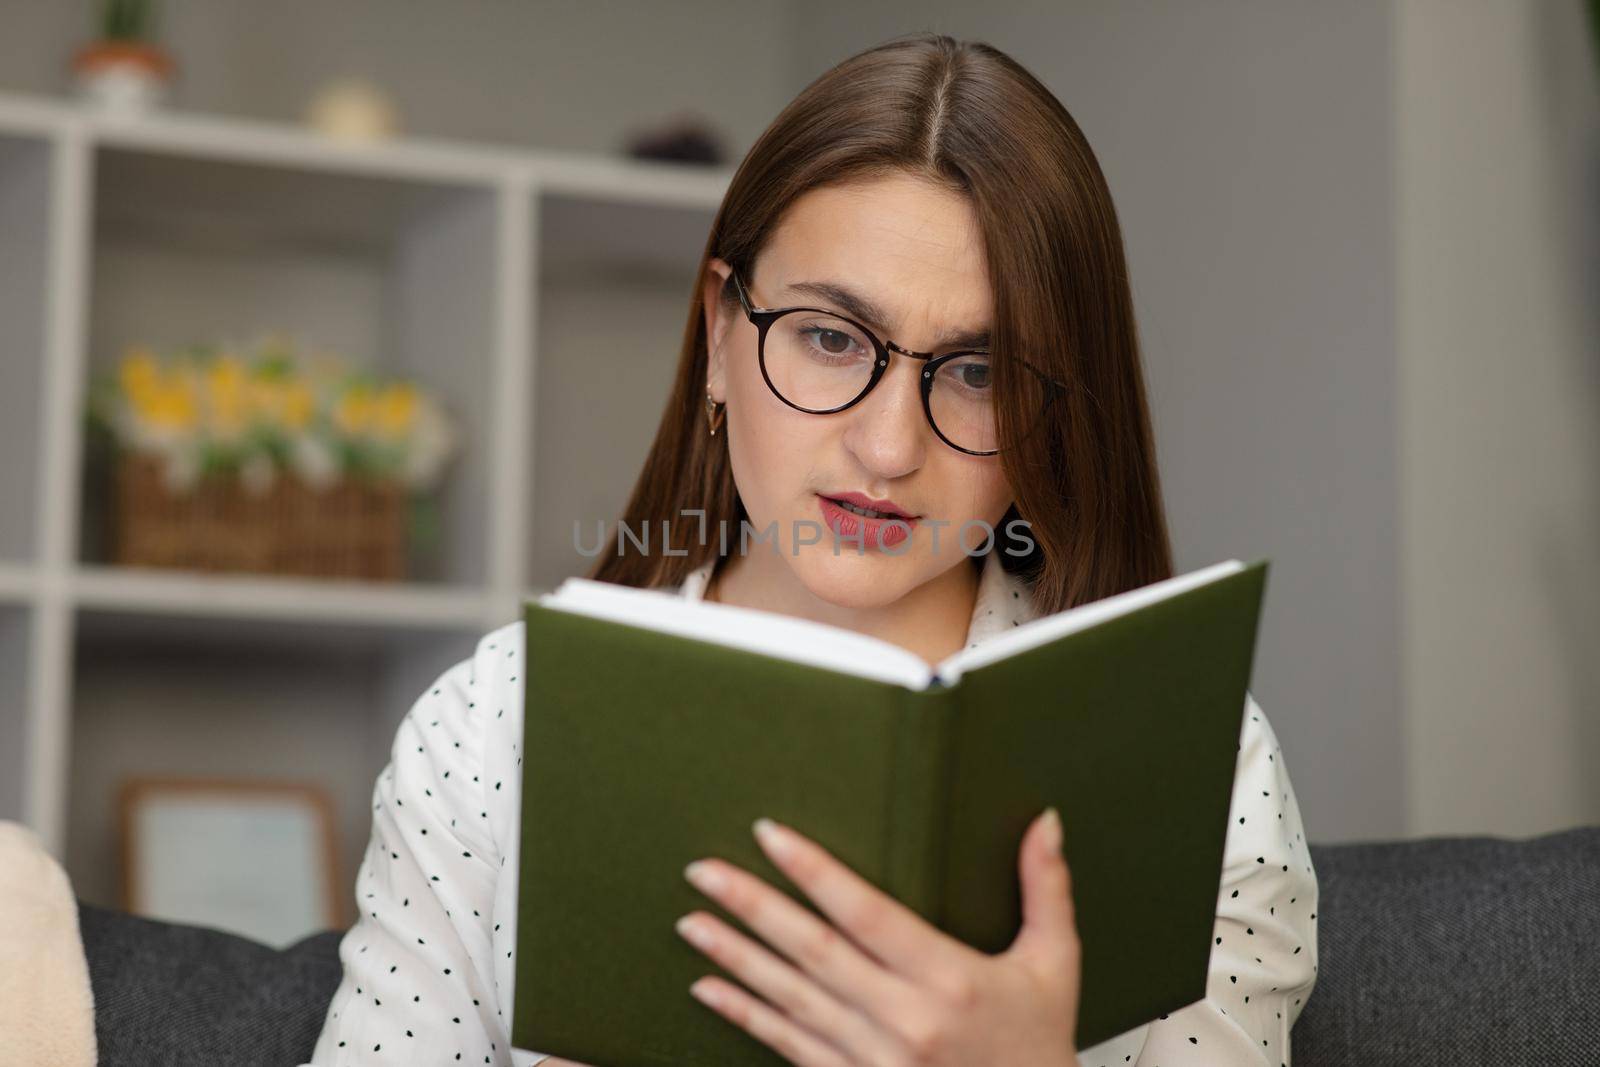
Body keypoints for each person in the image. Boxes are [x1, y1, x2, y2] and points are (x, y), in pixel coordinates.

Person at [307, 31, 1318, 1067]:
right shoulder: (486, 733)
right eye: (830, 338)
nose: (887, 446)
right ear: (717, 334)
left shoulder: (1202, 764)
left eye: (976, 370)